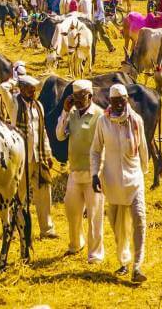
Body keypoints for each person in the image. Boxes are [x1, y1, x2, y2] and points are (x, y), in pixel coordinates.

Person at [91, 84, 149, 283]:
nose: (117, 105)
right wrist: (94, 174)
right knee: (117, 225)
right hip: (112, 181)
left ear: (127, 100)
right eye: (114, 101)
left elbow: (143, 148)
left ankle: (138, 266)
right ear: (110, 101)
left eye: (121, 101)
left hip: (134, 179)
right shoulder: (103, 122)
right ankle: (124, 261)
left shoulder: (136, 121)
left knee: (139, 220)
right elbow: (96, 150)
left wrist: (144, 172)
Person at [56, 80, 105, 262]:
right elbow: (60, 135)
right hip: (75, 172)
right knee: (72, 210)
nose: (77, 100)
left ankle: (95, 254)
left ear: (90, 96)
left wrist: (100, 173)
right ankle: (75, 244)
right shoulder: (73, 114)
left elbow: (104, 144)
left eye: (81, 96)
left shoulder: (99, 115)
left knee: (95, 215)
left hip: (94, 174)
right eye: (74, 97)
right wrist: (65, 111)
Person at [12, 74, 57, 239]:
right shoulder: (14, 105)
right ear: (22, 89)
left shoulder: (38, 106)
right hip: (22, 157)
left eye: (34, 90)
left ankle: (47, 229)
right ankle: (15, 228)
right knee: (19, 194)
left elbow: (42, 131)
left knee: (44, 193)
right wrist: (14, 81)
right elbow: (3, 89)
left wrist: (48, 153)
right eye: (30, 90)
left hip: (39, 156)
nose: (33, 93)